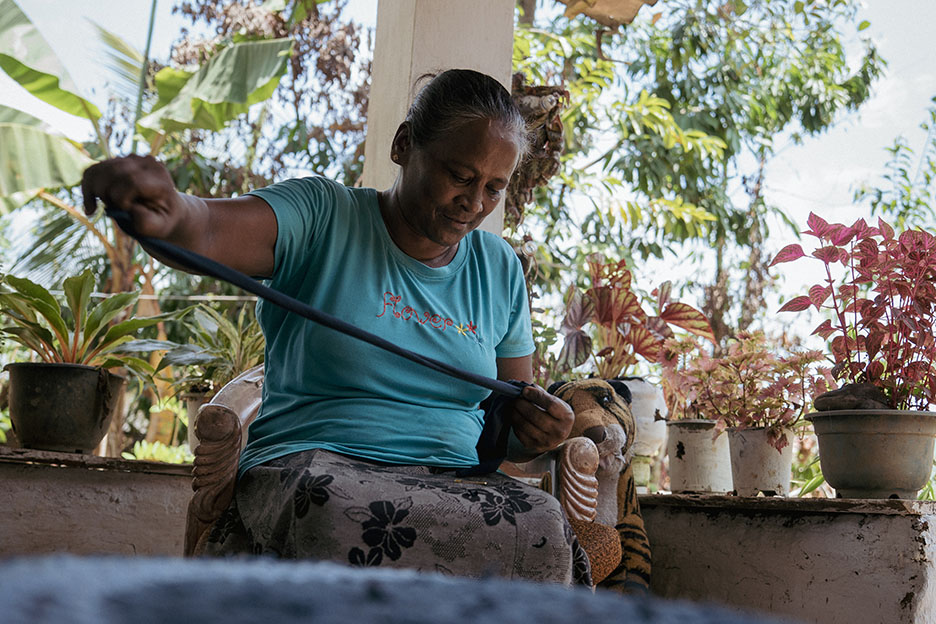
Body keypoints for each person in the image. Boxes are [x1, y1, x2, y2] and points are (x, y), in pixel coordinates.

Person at [82, 69, 587, 584]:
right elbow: (206, 228)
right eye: (460, 176)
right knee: (337, 511)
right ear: (404, 144)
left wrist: (537, 432)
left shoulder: (498, 267)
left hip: (456, 481)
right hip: (314, 467)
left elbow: (509, 420)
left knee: (545, 527)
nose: (475, 203)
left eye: (494, 188)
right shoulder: (322, 216)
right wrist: (170, 212)